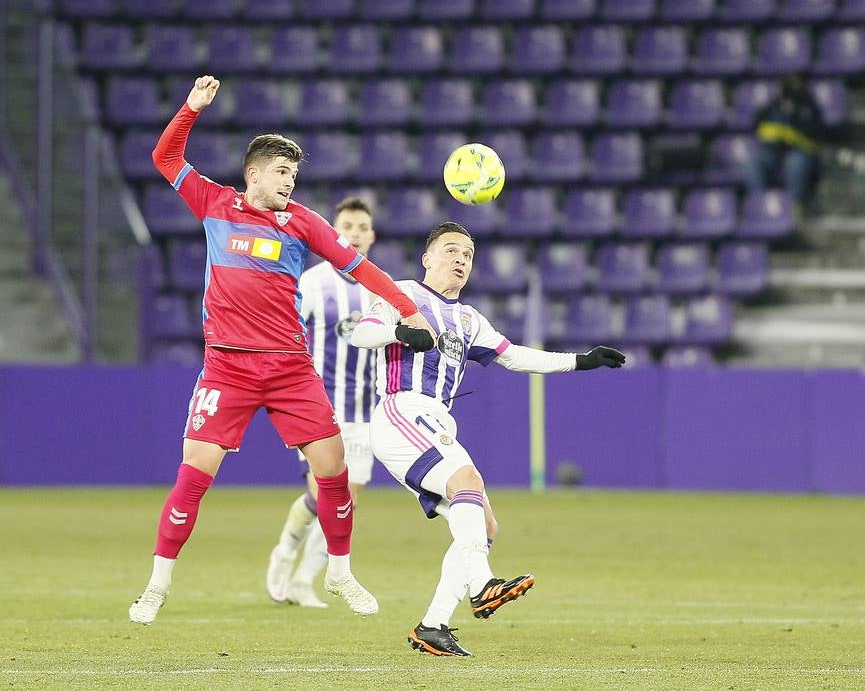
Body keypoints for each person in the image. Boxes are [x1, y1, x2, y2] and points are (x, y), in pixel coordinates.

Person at [128, 75, 435, 625]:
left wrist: (407, 310)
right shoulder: (215, 203)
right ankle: (156, 585)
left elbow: (361, 268)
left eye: (294, 173)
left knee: (334, 468)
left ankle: (338, 571)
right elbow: (164, 155)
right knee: (194, 473)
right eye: (280, 171)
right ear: (253, 174)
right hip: (228, 366)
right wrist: (192, 107)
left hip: (291, 367)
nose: (290, 180)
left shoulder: (304, 224)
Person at [350, 222, 625, 657]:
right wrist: (399, 331)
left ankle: (434, 625)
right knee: (467, 481)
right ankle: (481, 586)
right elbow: (359, 333)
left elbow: (513, 356)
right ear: (427, 257)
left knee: (484, 525)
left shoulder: (468, 319)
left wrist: (580, 361)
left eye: (468, 254)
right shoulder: (402, 294)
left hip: (436, 421)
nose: (461, 259)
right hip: (403, 409)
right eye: (451, 250)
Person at [265, 196, 379, 609]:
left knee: (346, 499)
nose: (354, 233)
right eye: (346, 225)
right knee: (322, 495)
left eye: (362, 227)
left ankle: (303, 580)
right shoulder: (313, 283)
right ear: (333, 232)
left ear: (372, 235)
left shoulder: (376, 288)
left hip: (364, 411)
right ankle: (283, 554)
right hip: (319, 408)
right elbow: (287, 331)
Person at [747, 74, 826, 209]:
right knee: (753, 164)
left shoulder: (809, 107)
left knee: (794, 163)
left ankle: (794, 208)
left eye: (796, 86)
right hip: (773, 152)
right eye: (788, 87)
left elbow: (817, 134)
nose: (792, 90)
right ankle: (760, 206)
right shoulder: (773, 106)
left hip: (800, 152)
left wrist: (794, 115)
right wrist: (777, 104)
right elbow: (756, 125)